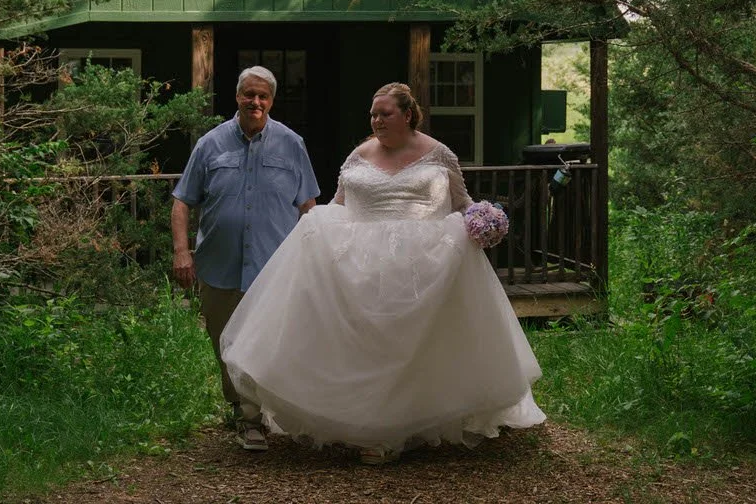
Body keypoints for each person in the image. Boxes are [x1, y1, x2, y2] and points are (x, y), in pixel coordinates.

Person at [219, 82, 545, 464]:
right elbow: (339, 204)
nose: (376, 121)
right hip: (361, 266)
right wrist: (318, 230)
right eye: (373, 114)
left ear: (407, 115)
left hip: (425, 267)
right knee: (366, 346)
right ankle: (365, 424)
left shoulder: (439, 154)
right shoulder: (359, 155)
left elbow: (462, 203)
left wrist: (482, 221)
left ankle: (405, 425)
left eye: (385, 114)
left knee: (412, 345)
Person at [171, 66, 320, 452]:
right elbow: (182, 201)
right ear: (237, 97)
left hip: (276, 268)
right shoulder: (210, 144)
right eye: (248, 94)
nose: (255, 102)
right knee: (227, 344)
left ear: (271, 101)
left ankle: (272, 413)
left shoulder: (292, 144)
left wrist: (313, 257)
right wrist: (182, 252)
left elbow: (308, 206)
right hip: (219, 266)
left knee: (277, 342)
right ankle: (245, 414)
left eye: (262, 96)